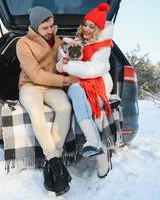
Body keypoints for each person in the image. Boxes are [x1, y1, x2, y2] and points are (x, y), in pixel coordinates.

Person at [16, 6, 78, 195]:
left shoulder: (58, 41)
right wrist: (65, 80)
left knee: (65, 107)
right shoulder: (23, 43)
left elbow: (67, 61)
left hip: (53, 87)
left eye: (51, 26)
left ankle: (54, 161)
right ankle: (54, 161)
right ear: (35, 27)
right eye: (45, 28)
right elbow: (35, 75)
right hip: (30, 86)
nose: (50, 31)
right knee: (36, 112)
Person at [56, 2, 114, 178]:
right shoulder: (77, 42)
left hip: (98, 84)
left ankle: (95, 145)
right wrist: (64, 57)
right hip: (78, 83)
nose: (87, 29)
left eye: (92, 26)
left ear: (98, 28)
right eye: (85, 24)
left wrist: (69, 66)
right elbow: (60, 66)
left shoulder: (103, 46)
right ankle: (96, 145)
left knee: (83, 100)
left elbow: (94, 69)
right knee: (76, 92)